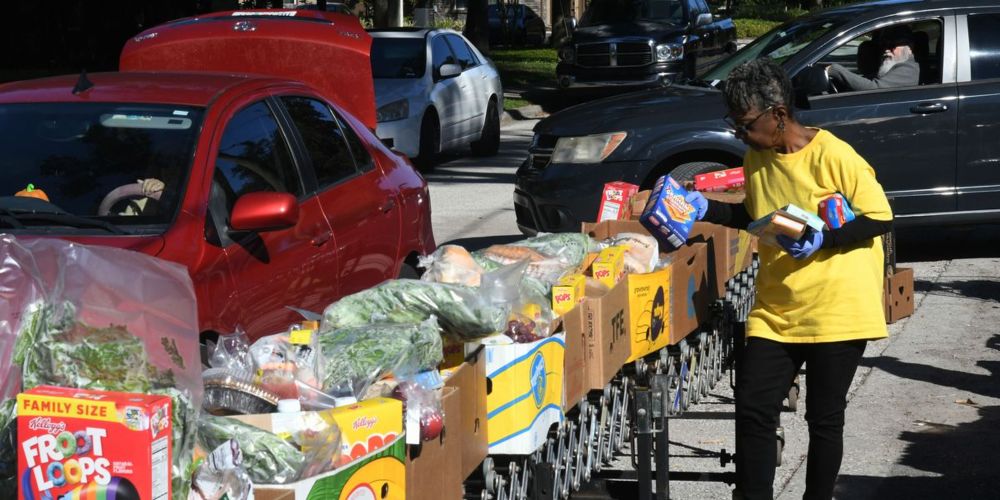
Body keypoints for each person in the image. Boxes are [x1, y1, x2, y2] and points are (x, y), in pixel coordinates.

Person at [685, 57, 893, 499]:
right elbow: (754, 215)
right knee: (753, 408)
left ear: (778, 114)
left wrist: (824, 240)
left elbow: (879, 217)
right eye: (734, 124)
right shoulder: (756, 158)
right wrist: (706, 209)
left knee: (824, 417)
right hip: (777, 309)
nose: (740, 133)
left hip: (837, 308)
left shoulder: (834, 154)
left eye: (745, 124)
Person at [826, 25, 919, 91]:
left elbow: (874, 88)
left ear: (910, 48)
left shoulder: (908, 69)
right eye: (884, 45)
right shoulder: (898, 64)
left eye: (892, 46)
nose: (886, 50)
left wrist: (835, 70)